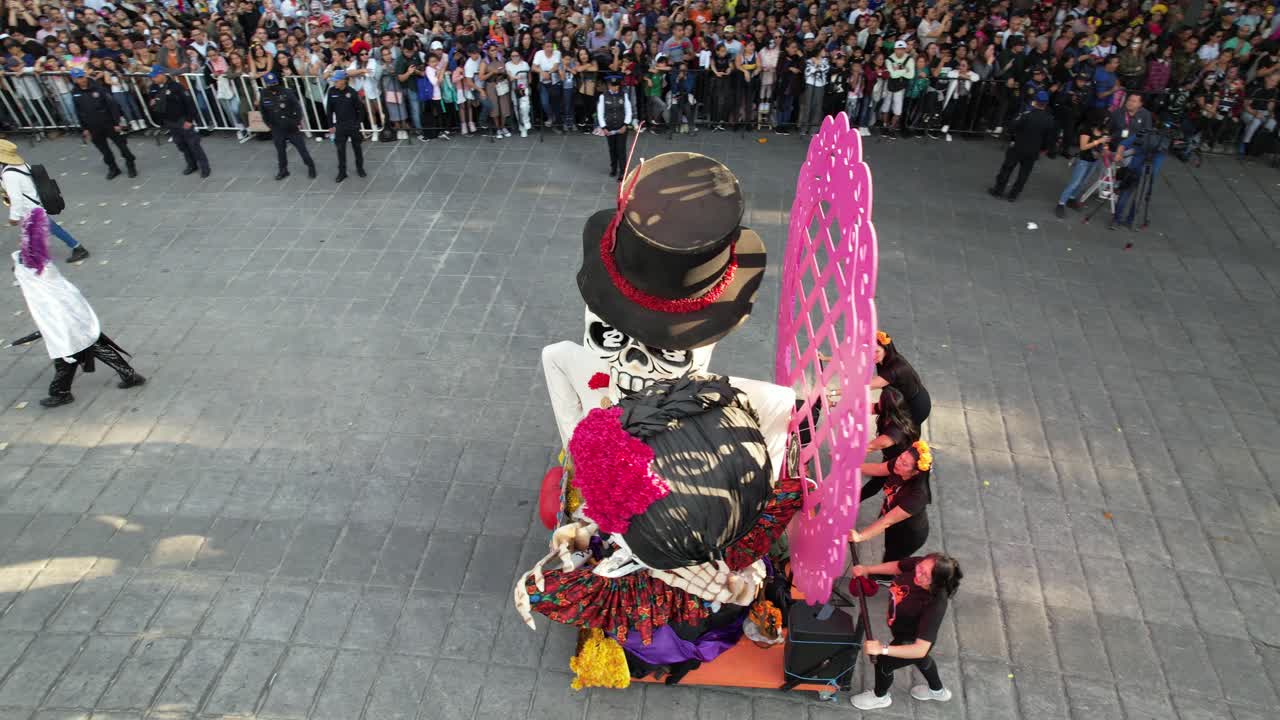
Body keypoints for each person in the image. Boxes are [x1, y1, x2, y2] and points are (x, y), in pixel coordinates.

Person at [12, 207, 145, 408]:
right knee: (91, 342)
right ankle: (129, 374)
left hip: (62, 318)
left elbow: (22, 267)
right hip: (71, 311)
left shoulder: (34, 272)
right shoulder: (40, 269)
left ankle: (61, 392)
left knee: (66, 353)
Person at [848, 553, 963, 711]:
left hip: (912, 641)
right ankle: (937, 691)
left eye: (925, 575)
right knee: (921, 659)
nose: (918, 573)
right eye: (920, 568)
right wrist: (867, 569)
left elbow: (920, 649)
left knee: (884, 662)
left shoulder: (935, 605)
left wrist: (882, 649)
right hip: (902, 630)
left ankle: (879, 697)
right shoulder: (921, 564)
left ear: (936, 583)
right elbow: (897, 566)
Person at [852, 439, 932, 565]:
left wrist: (860, 536)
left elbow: (887, 521)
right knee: (887, 546)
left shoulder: (918, 496)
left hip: (908, 533)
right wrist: (851, 464)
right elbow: (878, 469)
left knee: (892, 556)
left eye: (905, 464)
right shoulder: (898, 466)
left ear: (915, 472)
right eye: (900, 458)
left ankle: (884, 578)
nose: (898, 463)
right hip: (894, 522)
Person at [987, 90, 1056, 202]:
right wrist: (1042, 149)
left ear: (1035, 101)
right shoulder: (1050, 119)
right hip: (1033, 151)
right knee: (1024, 174)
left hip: (1017, 147)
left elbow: (1012, 127)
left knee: (1007, 168)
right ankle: (1013, 195)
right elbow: (1049, 138)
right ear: (1046, 103)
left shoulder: (1026, 115)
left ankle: (998, 190)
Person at [69, 68, 136, 181]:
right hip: (93, 126)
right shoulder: (75, 92)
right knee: (104, 150)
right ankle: (113, 168)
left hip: (108, 123)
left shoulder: (98, 88)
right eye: (78, 78)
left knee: (122, 146)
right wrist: (84, 128)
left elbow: (112, 106)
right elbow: (78, 111)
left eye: (82, 76)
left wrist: (116, 122)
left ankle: (130, 165)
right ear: (74, 79)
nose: (82, 80)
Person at [146, 66, 209, 178]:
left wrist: (189, 120)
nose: (153, 79)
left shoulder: (177, 87)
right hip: (169, 121)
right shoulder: (153, 87)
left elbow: (189, 104)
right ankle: (191, 164)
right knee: (181, 145)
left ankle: (204, 167)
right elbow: (152, 101)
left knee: (194, 144)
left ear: (161, 74)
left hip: (181, 120)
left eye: (154, 77)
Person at [259, 72, 316, 181]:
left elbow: (297, 108)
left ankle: (311, 167)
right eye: (270, 84)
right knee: (280, 151)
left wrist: (296, 121)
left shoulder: (287, 92)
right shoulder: (264, 93)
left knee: (301, 149)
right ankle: (283, 170)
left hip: (291, 127)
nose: (272, 86)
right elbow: (263, 111)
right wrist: (269, 125)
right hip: (277, 128)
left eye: (274, 83)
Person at [871, 331, 930, 427]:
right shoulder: (884, 360)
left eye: (876, 351)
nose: (872, 355)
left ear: (886, 349)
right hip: (901, 401)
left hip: (915, 406)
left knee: (900, 435)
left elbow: (865, 386)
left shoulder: (894, 369)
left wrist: (836, 392)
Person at [1054, 118, 1110, 218]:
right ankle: (1061, 203)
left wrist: (1105, 148)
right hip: (1083, 160)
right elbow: (1083, 147)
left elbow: (1104, 146)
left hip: (1094, 161)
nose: (1106, 129)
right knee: (1074, 182)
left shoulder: (1104, 132)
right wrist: (1098, 141)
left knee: (1084, 182)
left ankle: (1072, 198)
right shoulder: (1087, 130)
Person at [326, 70, 366, 183]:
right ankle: (342, 172)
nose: (335, 83)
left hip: (352, 125)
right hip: (340, 126)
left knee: (357, 148)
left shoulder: (352, 92)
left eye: (337, 81)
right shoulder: (331, 91)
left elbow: (361, 109)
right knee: (340, 150)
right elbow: (329, 110)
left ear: (344, 81)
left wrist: (358, 124)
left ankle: (360, 168)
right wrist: (330, 125)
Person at [596, 73, 632, 179]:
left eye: (616, 85)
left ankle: (622, 172)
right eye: (612, 85)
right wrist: (604, 127)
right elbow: (600, 113)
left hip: (621, 127)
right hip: (610, 127)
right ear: (608, 85)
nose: (615, 87)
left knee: (621, 149)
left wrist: (625, 124)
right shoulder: (603, 96)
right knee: (612, 149)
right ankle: (613, 168)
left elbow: (628, 111)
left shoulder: (624, 95)